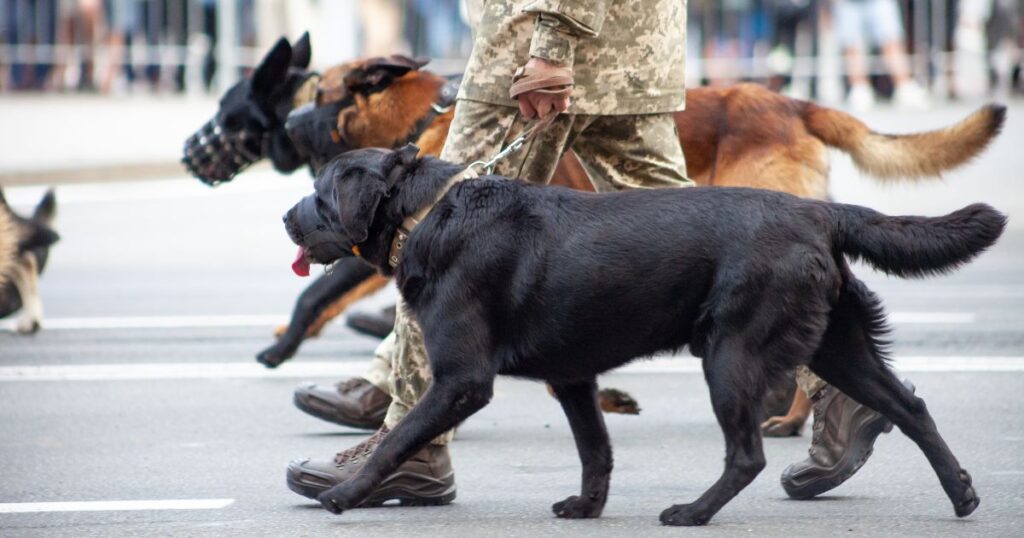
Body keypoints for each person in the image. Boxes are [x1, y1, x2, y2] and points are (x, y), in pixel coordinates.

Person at [287, 0, 691, 506]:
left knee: (429, 244)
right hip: (633, 55)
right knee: (701, 246)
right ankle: (823, 387)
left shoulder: (544, 48)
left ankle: (414, 448)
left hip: (528, 52)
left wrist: (551, 46)